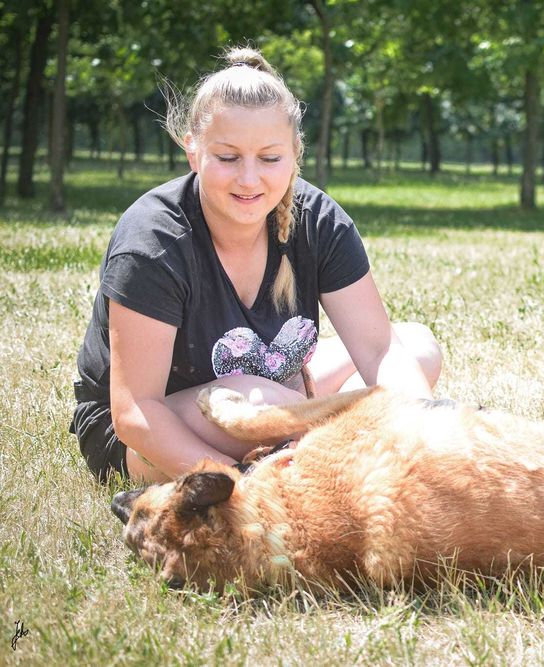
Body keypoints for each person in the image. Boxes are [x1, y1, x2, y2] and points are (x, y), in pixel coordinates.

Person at [71, 47, 442, 484]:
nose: (249, 180)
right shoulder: (153, 241)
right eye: (228, 158)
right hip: (143, 436)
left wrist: (427, 436)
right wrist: (240, 484)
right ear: (193, 150)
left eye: (269, 158)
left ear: (294, 153)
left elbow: (380, 350)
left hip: (274, 391)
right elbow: (136, 412)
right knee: (253, 399)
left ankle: (335, 449)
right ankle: (331, 455)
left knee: (417, 349)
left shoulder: (318, 221)